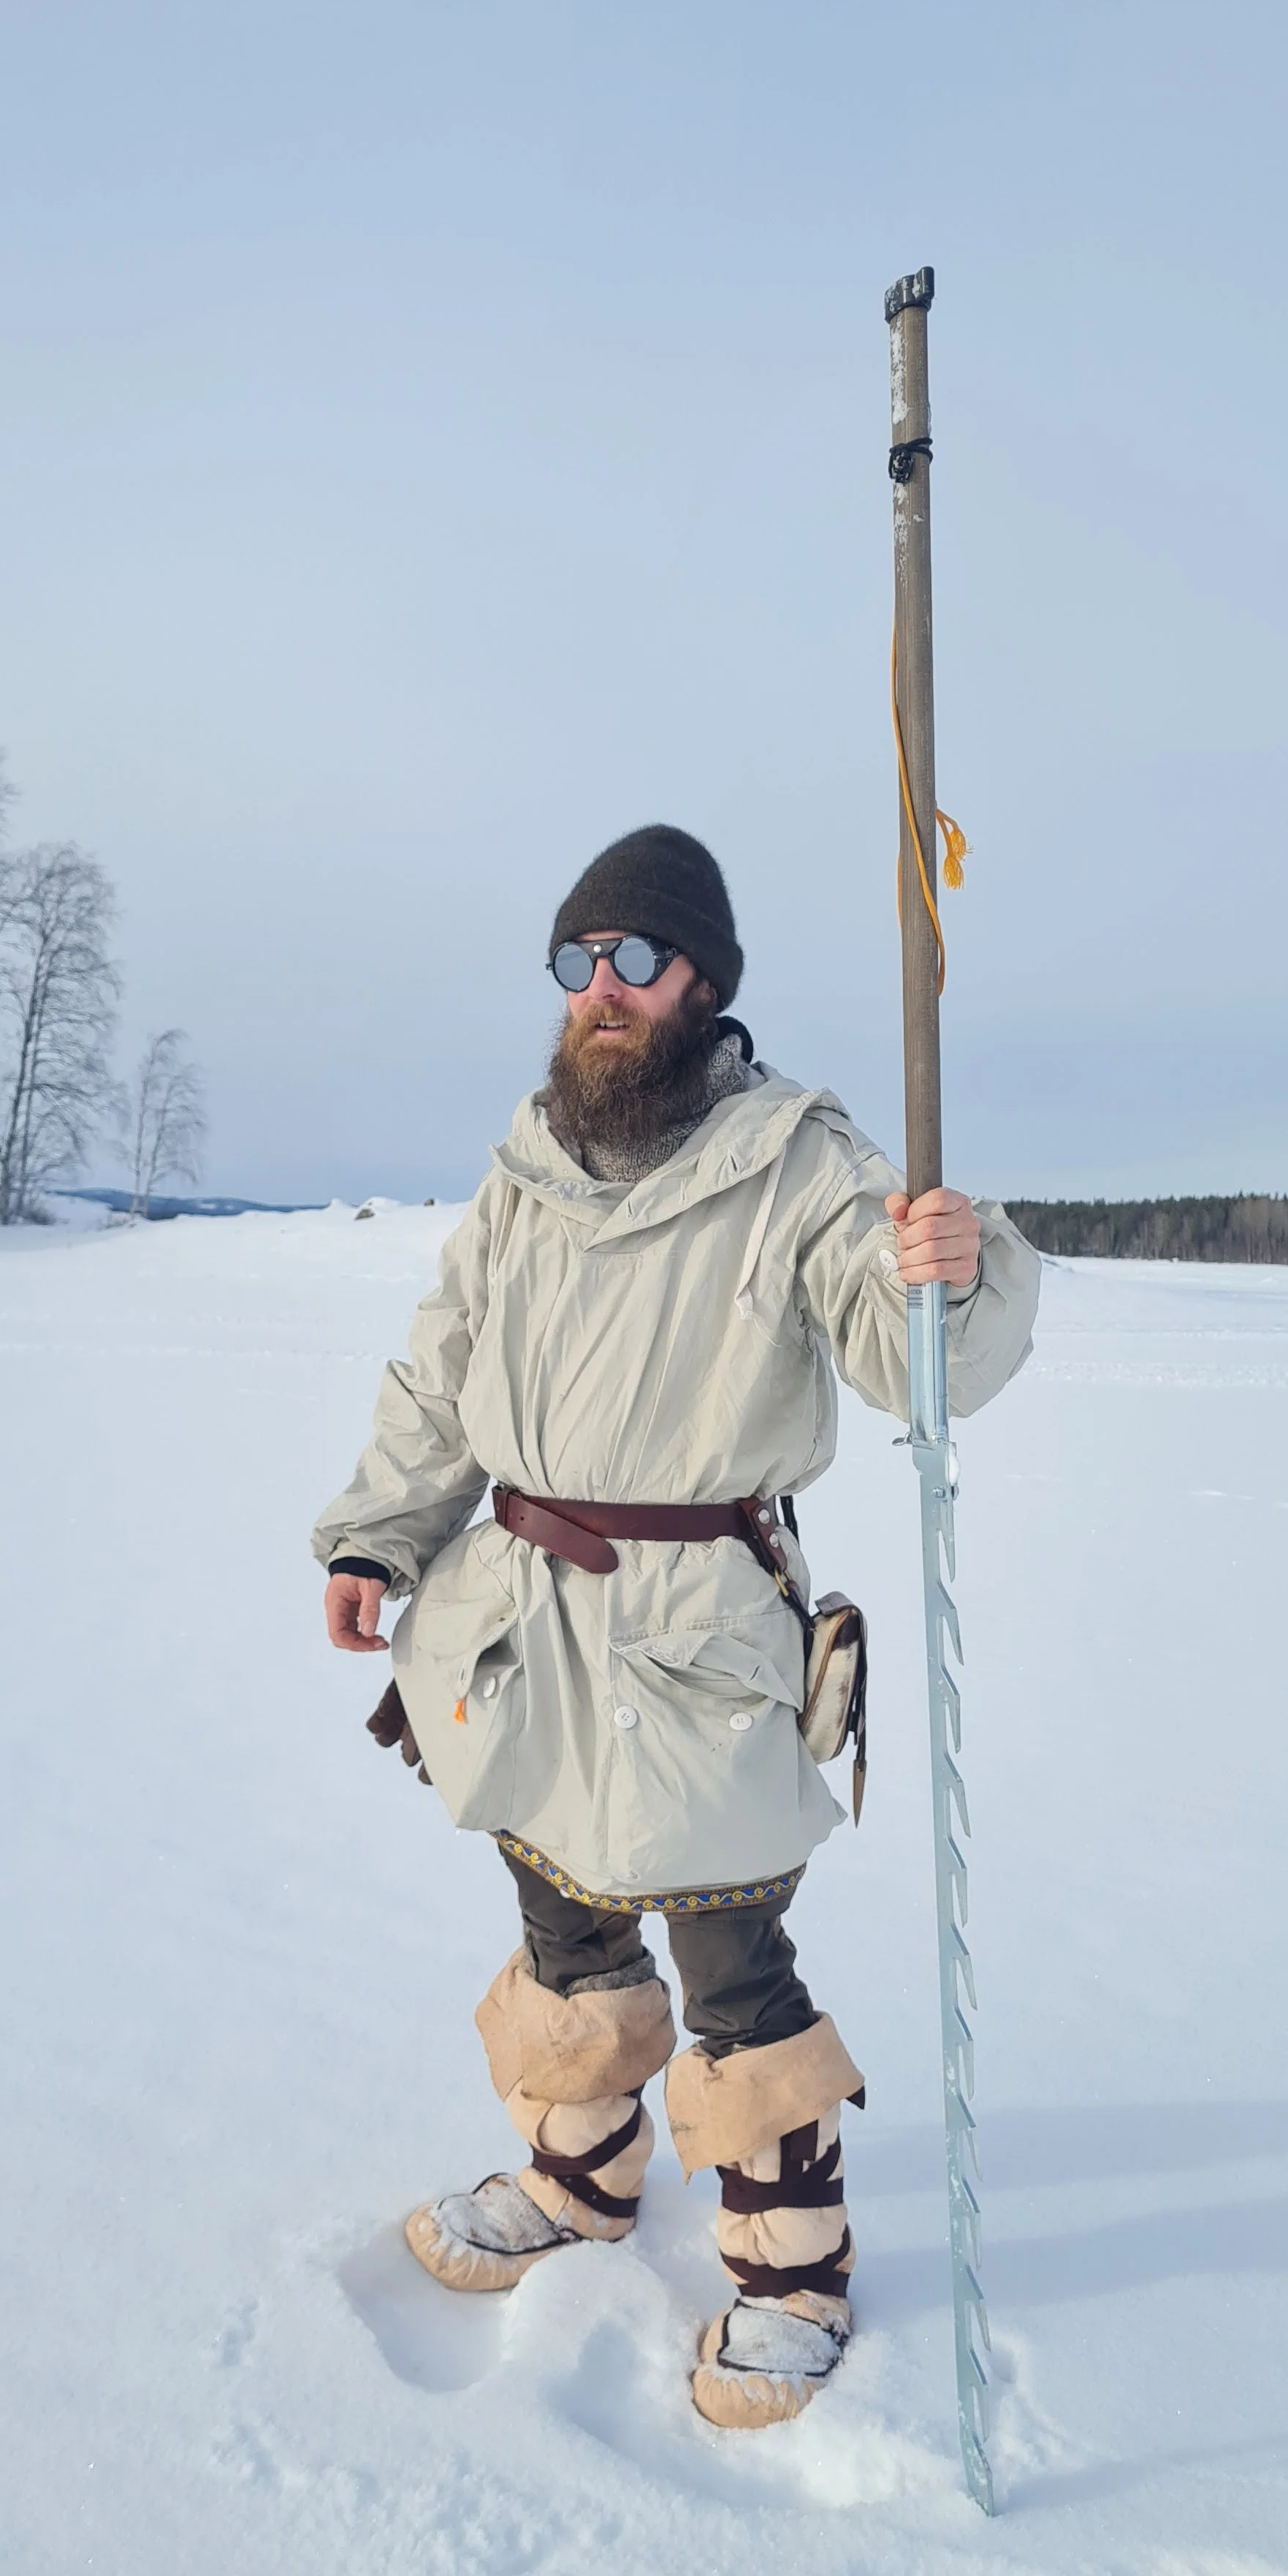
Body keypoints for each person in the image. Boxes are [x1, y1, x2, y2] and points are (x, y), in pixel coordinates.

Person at [313, 824, 1038, 2428]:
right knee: (562, 1925)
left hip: (694, 1631)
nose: (599, 993)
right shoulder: (527, 1165)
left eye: (632, 961)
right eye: (576, 965)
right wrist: (377, 1535)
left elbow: (903, 1351)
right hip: (513, 1623)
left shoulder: (795, 1157)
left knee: (729, 1959)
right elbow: (440, 1379)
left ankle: (790, 2265)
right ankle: (580, 2177)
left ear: (701, 978)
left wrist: (948, 1273)